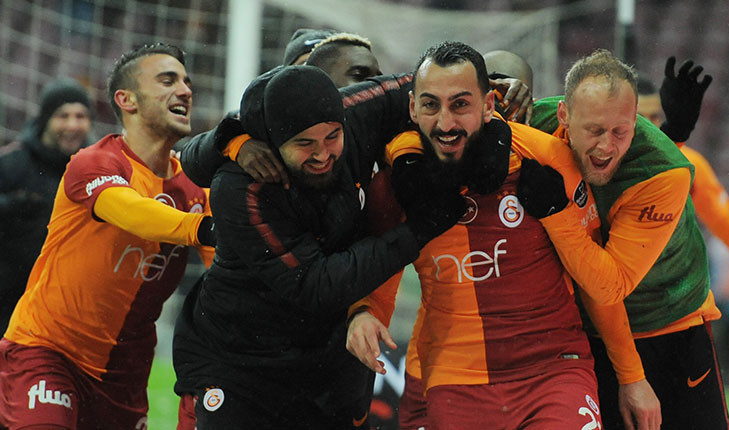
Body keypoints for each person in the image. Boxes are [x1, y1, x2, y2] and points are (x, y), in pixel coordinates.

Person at [171, 65, 477, 429]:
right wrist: (418, 229)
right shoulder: (243, 186)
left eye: (333, 136)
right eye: (304, 144)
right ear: (272, 141)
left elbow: (431, 82)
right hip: (241, 362)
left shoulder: (355, 113)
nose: (322, 154)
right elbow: (315, 284)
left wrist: (490, 88)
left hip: (327, 360)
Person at [347, 40, 620, 430]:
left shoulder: (547, 158)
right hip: (457, 379)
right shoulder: (394, 184)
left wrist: (632, 376)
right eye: (431, 105)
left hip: (552, 370)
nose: (446, 123)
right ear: (412, 109)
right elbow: (381, 272)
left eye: (460, 104)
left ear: (489, 104)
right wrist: (364, 314)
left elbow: (601, 285)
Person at [0, 43, 216, 429]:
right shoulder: (94, 162)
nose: (184, 90)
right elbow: (129, 211)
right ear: (126, 100)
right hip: (49, 351)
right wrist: (201, 228)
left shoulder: (197, 189)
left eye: (186, 81)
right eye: (167, 80)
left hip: (124, 374)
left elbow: (230, 266)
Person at [524, 49, 729, 429]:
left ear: (635, 121)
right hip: (586, 330)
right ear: (564, 116)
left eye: (620, 131)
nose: (606, 146)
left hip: (671, 325)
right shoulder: (534, 122)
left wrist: (556, 212)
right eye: (594, 131)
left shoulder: (665, 173)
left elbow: (608, 285)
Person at [636, 62, 729, 290]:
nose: (649, 125)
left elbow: (726, 224)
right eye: (639, 117)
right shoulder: (601, 164)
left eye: (654, 116)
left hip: (671, 291)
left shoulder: (689, 164)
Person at [0, 78, 94, 333]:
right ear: (45, 119)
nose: (72, 125)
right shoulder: (12, 162)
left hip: (66, 304)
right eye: (63, 116)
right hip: (8, 300)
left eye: (80, 116)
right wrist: (10, 206)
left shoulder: (96, 171)